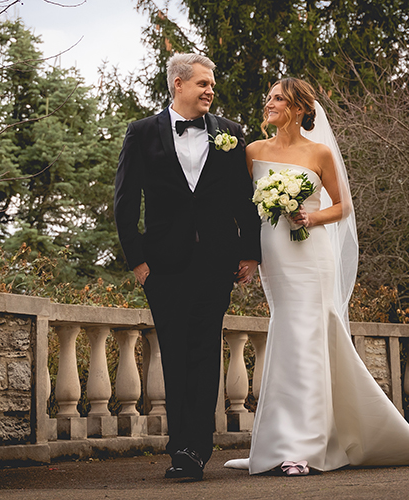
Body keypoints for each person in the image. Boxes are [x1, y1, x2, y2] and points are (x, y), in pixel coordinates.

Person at [224, 77, 409, 476]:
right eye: (269, 98)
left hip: (311, 254)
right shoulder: (253, 151)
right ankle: (276, 442)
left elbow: (343, 206)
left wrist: (310, 215)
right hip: (275, 255)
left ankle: (305, 448)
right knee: (287, 336)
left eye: (277, 98)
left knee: (310, 338)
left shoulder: (320, 153)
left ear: (297, 109)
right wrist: (246, 255)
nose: (269, 103)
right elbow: (245, 208)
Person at [114, 53, 262, 481]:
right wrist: (138, 261)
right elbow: (126, 202)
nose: (210, 90)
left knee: (203, 353)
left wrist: (250, 252)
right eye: (202, 83)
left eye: (212, 84)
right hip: (164, 265)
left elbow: (243, 198)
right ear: (178, 84)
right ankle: (180, 447)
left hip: (217, 263)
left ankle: (196, 449)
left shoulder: (230, 134)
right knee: (175, 355)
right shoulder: (141, 133)